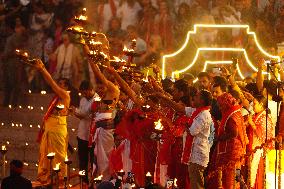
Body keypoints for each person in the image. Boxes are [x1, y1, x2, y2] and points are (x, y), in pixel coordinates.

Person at [33, 59, 70, 184]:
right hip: (50, 129)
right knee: (47, 155)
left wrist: (42, 69)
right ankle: (48, 177)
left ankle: (60, 180)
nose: (58, 86)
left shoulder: (65, 95)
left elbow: (51, 84)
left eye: (61, 84)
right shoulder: (57, 98)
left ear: (66, 87)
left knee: (59, 155)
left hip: (58, 130)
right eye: (59, 84)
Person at [183, 90, 213, 189]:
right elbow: (181, 109)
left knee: (197, 185)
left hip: (198, 155)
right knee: (195, 184)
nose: (193, 98)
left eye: (196, 96)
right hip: (195, 154)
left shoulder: (204, 114)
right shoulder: (198, 111)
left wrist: (186, 126)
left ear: (202, 100)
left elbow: (192, 131)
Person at [72, 81, 99, 185]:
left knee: (93, 161)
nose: (84, 95)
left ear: (90, 89)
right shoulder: (83, 99)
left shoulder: (97, 99)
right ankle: (83, 182)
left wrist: (75, 111)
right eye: (82, 93)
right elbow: (81, 115)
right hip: (82, 133)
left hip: (92, 135)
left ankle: (93, 183)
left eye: (85, 92)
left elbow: (85, 113)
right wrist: (77, 112)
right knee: (82, 161)